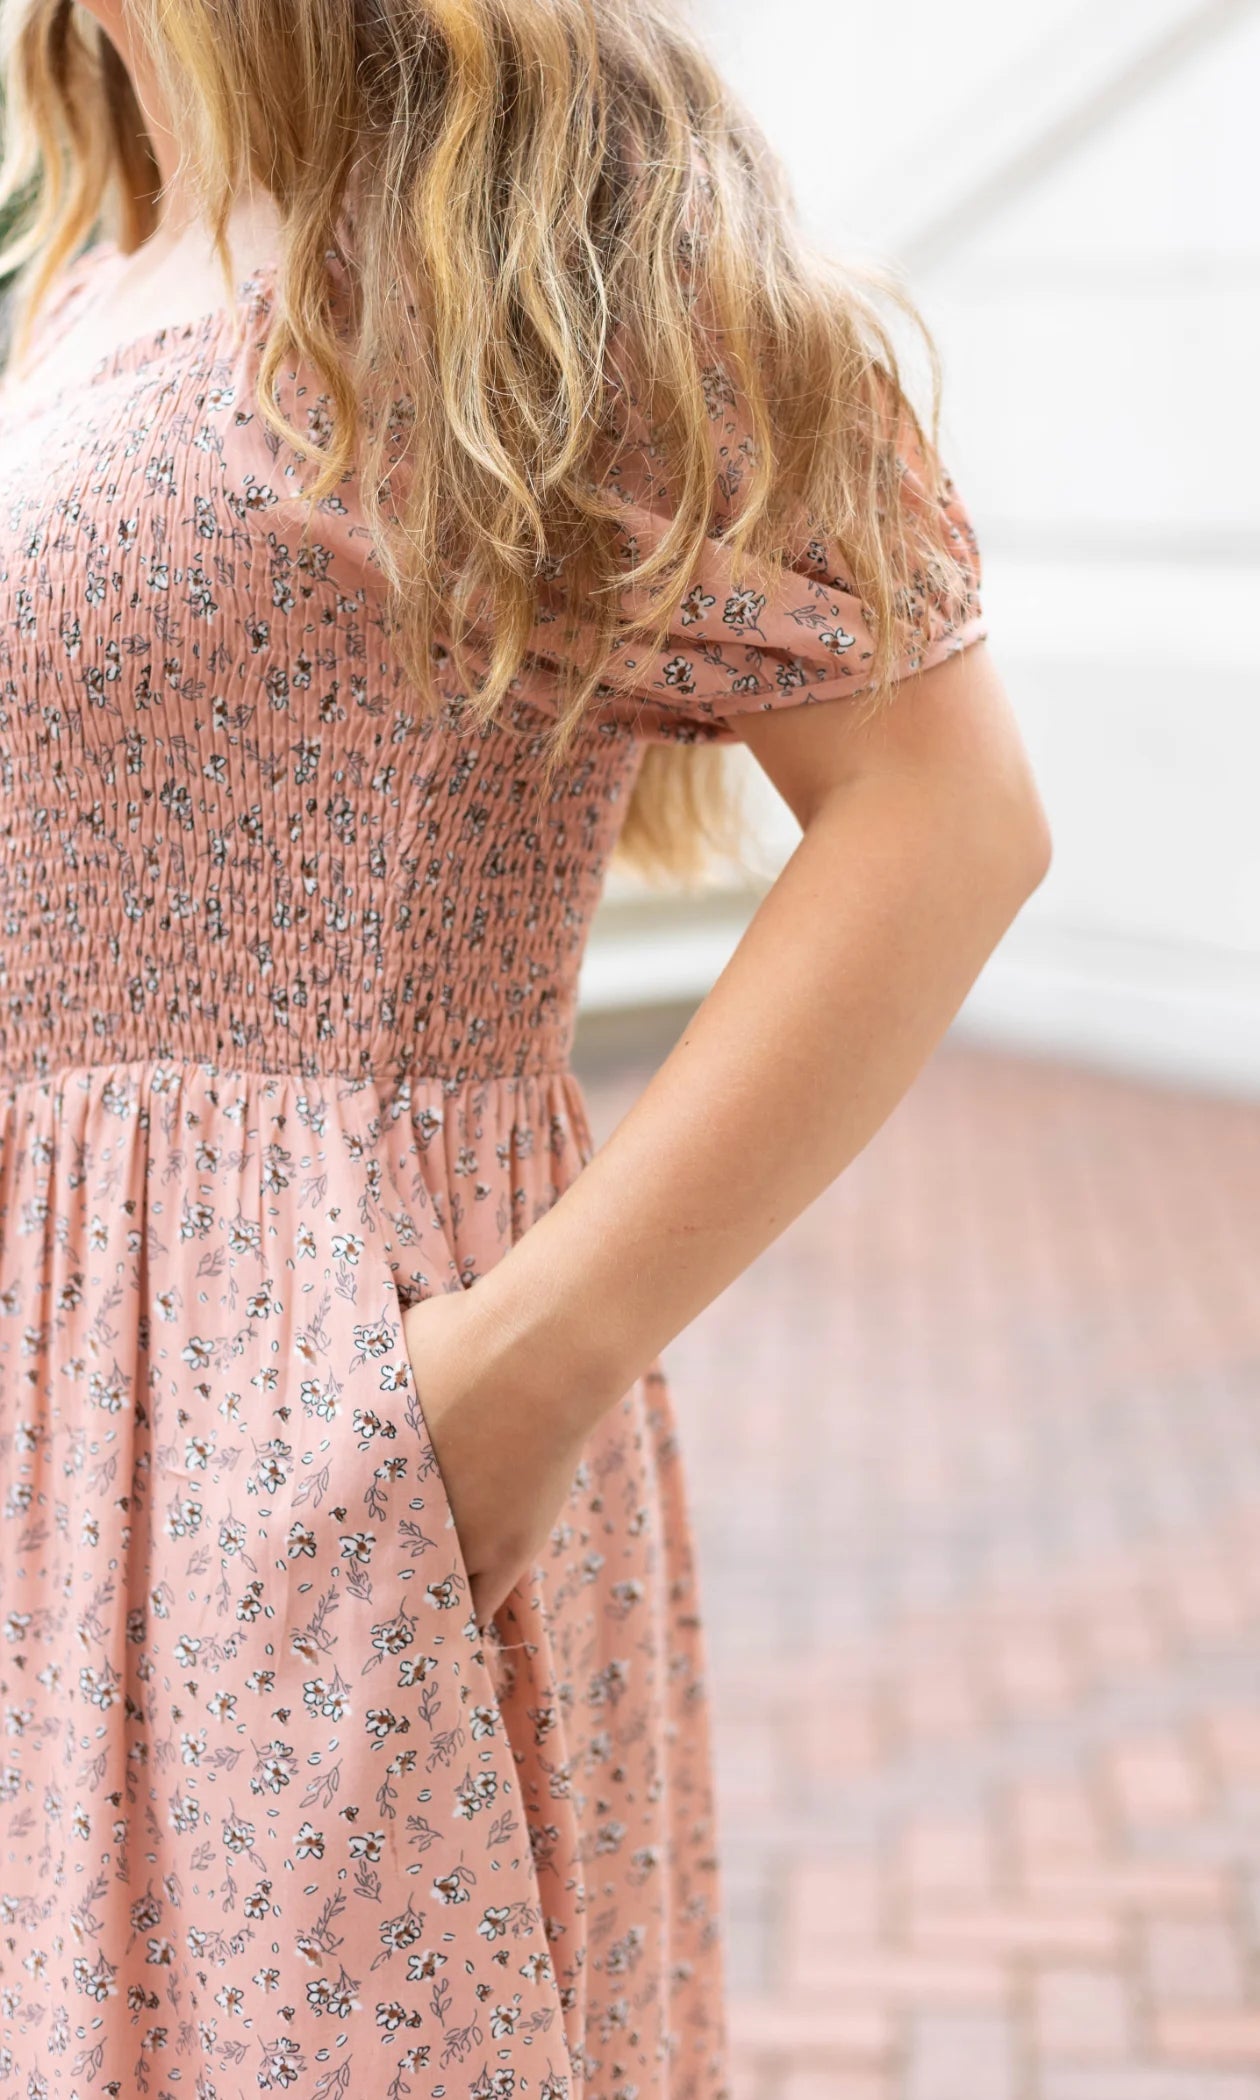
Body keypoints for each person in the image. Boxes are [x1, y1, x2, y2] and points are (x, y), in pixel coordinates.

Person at [0, 2, 1050, 2096]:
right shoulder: (106, 222)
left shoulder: (503, 204)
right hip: (67, 1412)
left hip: (290, 1404)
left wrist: (516, 1378)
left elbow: (948, 813)